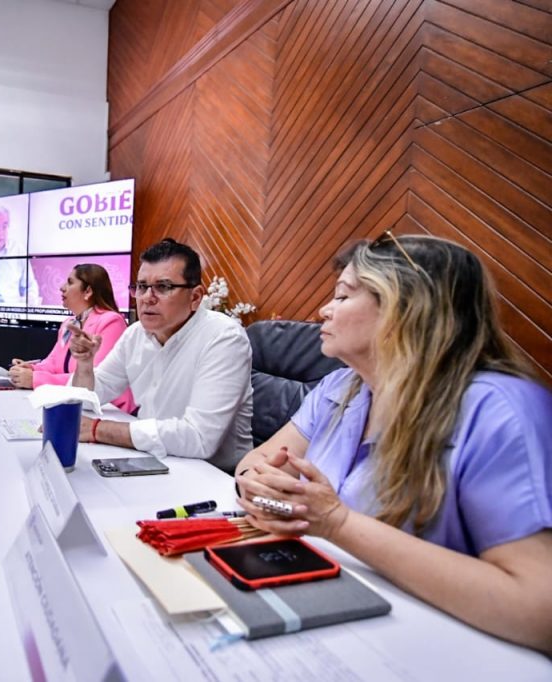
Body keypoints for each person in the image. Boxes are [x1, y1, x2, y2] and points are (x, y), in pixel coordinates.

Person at [233, 234, 552, 653]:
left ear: (404, 308)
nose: (323, 310)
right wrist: (258, 487)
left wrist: (337, 523)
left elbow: (539, 609)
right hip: (330, 608)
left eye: (342, 296)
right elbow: (256, 462)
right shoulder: (340, 386)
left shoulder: (500, 410)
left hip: (436, 649)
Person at [69, 239, 253, 472]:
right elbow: (87, 399)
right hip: (149, 457)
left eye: (163, 287)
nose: (147, 297)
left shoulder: (224, 338)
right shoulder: (135, 334)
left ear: (195, 297)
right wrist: (85, 366)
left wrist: (98, 429)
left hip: (211, 474)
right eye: (142, 286)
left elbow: (199, 438)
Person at [9, 263, 136, 414]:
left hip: (107, 410)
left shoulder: (111, 322)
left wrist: (35, 379)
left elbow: (94, 379)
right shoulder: (69, 323)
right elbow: (53, 363)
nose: (62, 287)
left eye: (70, 282)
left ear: (88, 291)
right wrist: (30, 369)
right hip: (74, 405)